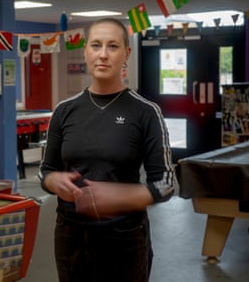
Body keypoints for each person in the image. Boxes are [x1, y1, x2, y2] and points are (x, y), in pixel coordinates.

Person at [39, 18, 175, 282]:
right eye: (95, 45)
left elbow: (167, 184)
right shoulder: (64, 111)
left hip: (124, 236)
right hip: (71, 235)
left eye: (112, 46)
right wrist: (54, 181)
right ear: (86, 51)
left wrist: (118, 197)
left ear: (127, 53)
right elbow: (45, 171)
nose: (102, 54)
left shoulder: (146, 112)